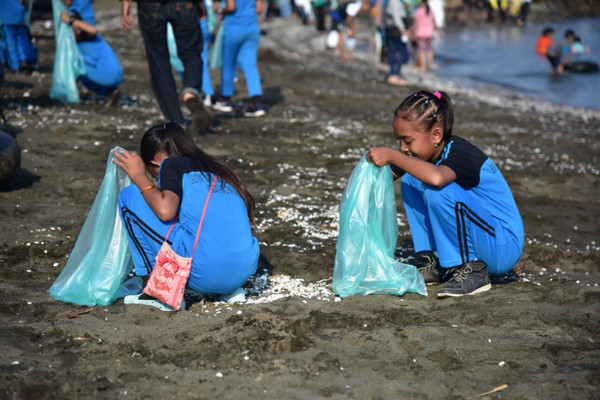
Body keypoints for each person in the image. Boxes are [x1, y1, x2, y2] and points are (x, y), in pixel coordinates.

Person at [367, 90, 524, 297]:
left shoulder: (460, 153)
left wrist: (392, 155)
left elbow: (437, 179)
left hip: (502, 246)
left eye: (408, 141)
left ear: (436, 135)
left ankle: (473, 271)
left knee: (439, 191)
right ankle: (434, 259)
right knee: (412, 179)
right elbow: (389, 176)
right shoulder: (427, 154)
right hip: (485, 239)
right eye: (399, 142)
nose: (403, 148)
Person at [112, 122, 260, 308]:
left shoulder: (169, 164)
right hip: (242, 272)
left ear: (155, 163)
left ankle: (158, 289)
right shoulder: (217, 166)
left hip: (206, 273)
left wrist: (140, 176)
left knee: (130, 196)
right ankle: (228, 290)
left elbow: (166, 212)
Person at [121, 0, 212, 131]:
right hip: (183, 4)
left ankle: (176, 120)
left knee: (159, 62)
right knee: (192, 52)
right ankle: (191, 91)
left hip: (150, 6)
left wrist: (125, 2)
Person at [211, 0, 266, 117]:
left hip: (233, 28)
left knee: (228, 63)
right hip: (252, 28)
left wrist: (221, 10)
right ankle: (255, 103)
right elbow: (259, 9)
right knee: (250, 64)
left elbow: (231, 7)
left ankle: (225, 98)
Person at [60, 11, 123, 106]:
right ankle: (112, 92)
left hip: (108, 74)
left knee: (76, 65)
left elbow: (93, 30)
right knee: (85, 79)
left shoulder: (88, 36)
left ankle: (67, 94)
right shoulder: (88, 41)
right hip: (116, 75)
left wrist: (70, 20)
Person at [0, 0, 38, 72]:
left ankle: (15, 65)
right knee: (19, 40)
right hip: (18, 14)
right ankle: (22, 60)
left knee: (11, 42)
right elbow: (24, 2)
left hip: (7, 16)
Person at [383, 0, 410, 86]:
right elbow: (396, 17)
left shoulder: (396, 2)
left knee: (393, 51)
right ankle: (395, 74)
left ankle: (394, 74)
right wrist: (403, 29)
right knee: (402, 52)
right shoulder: (395, 1)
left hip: (393, 29)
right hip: (396, 30)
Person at [411, 0, 437, 71]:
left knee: (421, 50)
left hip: (421, 33)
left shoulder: (418, 11)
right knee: (429, 50)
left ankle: (423, 66)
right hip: (430, 33)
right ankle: (430, 65)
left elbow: (416, 24)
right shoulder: (430, 11)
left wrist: (412, 33)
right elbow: (434, 22)